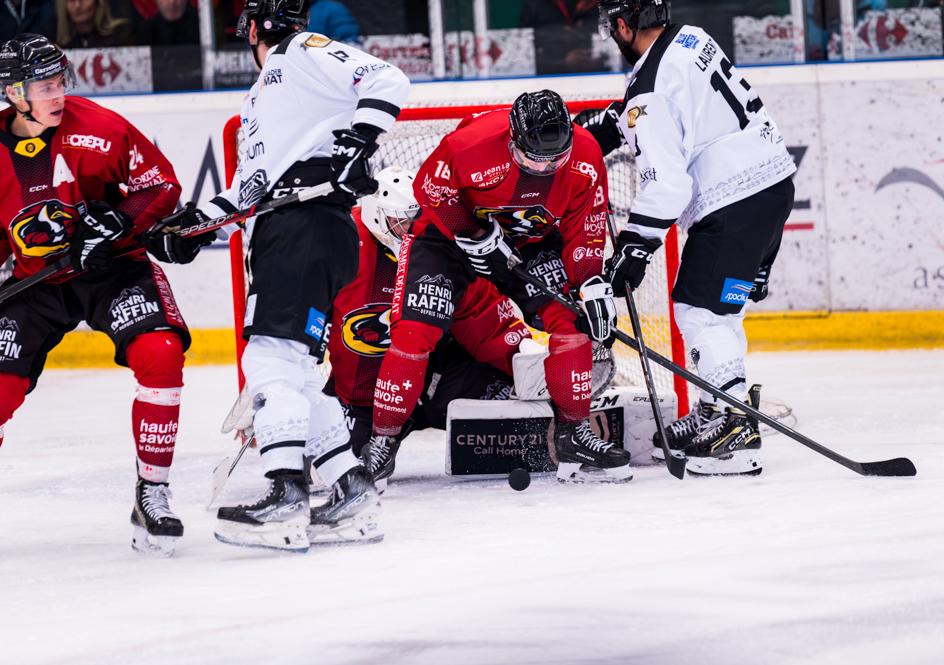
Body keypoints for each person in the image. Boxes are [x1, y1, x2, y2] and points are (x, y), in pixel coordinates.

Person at [146, 0, 410, 552]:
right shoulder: (265, 95)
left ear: (256, 29)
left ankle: (286, 496)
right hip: (298, 228)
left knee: (268, 362)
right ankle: (351, 487)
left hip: (304, 229)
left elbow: (387, 78)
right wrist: (197, 223)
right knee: (294, 372)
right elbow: (253, 188)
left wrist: (355, 142)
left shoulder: (299, 51)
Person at [368, 89, 631, 484]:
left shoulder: (587, 157)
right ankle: (383, 443)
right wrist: (471, 231)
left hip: (529, 242)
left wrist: (591, 282)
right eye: (532, 159)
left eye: (554, 161)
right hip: (446, 241)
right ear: (513, 139)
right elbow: (429, 189)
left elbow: (585, 228)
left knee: (572, 320)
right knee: (414, 331)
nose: (543, 169)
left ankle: (573, 433)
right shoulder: (471, 143)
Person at [0, 33, 195, 556]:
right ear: (14, 93)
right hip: (33, 285)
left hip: (114, 271)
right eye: (44, 84)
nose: (58, 92)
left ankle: (152, 492)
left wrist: (117, 221)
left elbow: (162, 187)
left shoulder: (102, 129)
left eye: (60, 80)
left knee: (160, 353)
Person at [595, 0, 796, 476]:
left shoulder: (647, 91)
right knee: (721, 312)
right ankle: (714, 409)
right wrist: (617, 121)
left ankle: (734, 430)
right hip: (772, 188)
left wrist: (633, 245)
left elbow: (668, 184)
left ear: (624, 25)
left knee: (697, 311)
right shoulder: (691, 36)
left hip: (733, 203)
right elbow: (681, 98)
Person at [323, 167, 533, 491]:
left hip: (436, 380)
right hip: (363, 395)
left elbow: (481, 314)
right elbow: (306, 307)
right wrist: (288, 369)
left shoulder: (434, 248)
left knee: (507, 400)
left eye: (414, 220)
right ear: (378, 215)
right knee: (330, 468)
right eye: (401, 222)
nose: (410, 229)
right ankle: (378, 438)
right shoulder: (341, 242)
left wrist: (524, 361)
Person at [56, 0, 133, 49]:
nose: (77, 6)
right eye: (71, 0)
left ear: (98, 2)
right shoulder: (59, 47)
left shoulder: (122, 34)